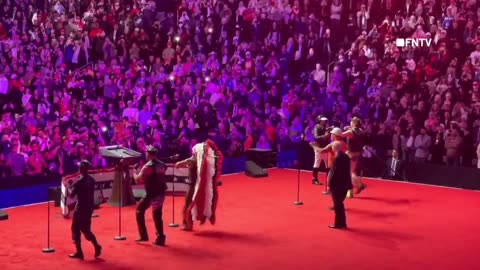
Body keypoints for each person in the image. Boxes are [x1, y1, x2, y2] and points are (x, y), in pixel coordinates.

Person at [175, 139, 223, 230]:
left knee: (188, 204)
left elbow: (182, 163)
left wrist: (178, 164)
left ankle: (187, 224)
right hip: (196, 185)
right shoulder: (202, 160)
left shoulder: (195, 159)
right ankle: (189, 223)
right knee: (191, 204)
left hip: (193, 185)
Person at [133, 145, 167, 246]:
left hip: (152, 194)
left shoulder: (148, 166)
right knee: (157, 215)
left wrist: (135, 171)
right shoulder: (162, 164)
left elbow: (138, 180)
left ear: (148, 154)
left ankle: (144, 235)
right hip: (161, 192)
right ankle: (160, 238)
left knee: (139, 210)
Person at [68, 160, 102, 259]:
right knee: (86, 231)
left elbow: (71, 195)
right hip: (89, 208)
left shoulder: (79, 182)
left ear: (81, 169)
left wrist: (70, 186)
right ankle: (96, 246)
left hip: (80, 208)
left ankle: (79, 252)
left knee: (75, 229)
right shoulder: (91, 179)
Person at [311, 127, 347, 197]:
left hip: (334, 165)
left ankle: (332, 193)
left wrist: (313, 146)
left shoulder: (332, 144)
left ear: (335, 135)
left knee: (331, 179)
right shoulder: (343, 143)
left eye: (332, 134)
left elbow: (321, 151)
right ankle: (334, 191)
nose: (331, 135)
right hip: (342, 165)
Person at [327, 141, 352, 229]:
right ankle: (342, 223)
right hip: (344, 185)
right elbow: (348, 171)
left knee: (337, 205)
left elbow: (333, 173)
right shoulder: (346, 156)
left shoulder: (337, 158)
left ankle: (338, 224)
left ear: (334, 148)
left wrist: (329, 185)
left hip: (337, 185)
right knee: (340, 204)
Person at [340, 117, 367, 197]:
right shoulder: (361, 131)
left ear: (354, 123)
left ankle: (358, 186)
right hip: (358, 153)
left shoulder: (351, 132)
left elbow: (341, 135)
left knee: (349, 172)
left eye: (351, 122)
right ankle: (352, 190)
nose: (350, 123)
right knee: (352, 171)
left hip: (350, 154)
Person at [310, 116, 330, 185]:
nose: (324, 122)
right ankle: (314, 179)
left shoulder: (326, 127)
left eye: (325, 120)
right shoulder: (317, 127)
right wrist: (324, 136)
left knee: (328, 164)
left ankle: (329, 180)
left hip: (326, 147)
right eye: (323, 121)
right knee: (317, 163)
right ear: (319, 121)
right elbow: (316, 137)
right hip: (319, 148)